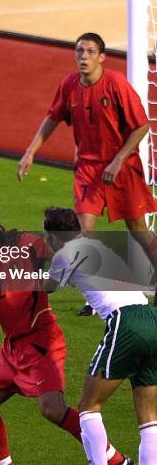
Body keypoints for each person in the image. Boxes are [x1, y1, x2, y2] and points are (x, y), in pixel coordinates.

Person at [0, 199, 132, 465]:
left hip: (41, 343)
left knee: (53, 409)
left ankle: (116, 460)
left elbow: (63, 245)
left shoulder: (25, 242)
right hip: (12, 348)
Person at [17, 32, 157, 313]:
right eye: (80, 51)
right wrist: (31, 151)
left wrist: (118, 161)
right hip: (88, 170)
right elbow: (52, 117)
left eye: (90, 52)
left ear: (102, 57)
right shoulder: (69, 85)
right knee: (84, 233)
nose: (84, 57)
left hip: (122, 168)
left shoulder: (116, 84)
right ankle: (94, 296)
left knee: (138, 230)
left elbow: (141, 126)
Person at [43, 206, 157, 465]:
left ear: (52, 236)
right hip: (151, 319)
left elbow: (45, 287)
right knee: (149, 418)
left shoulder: (63, 255)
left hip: (126, 323)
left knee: (89, 407)